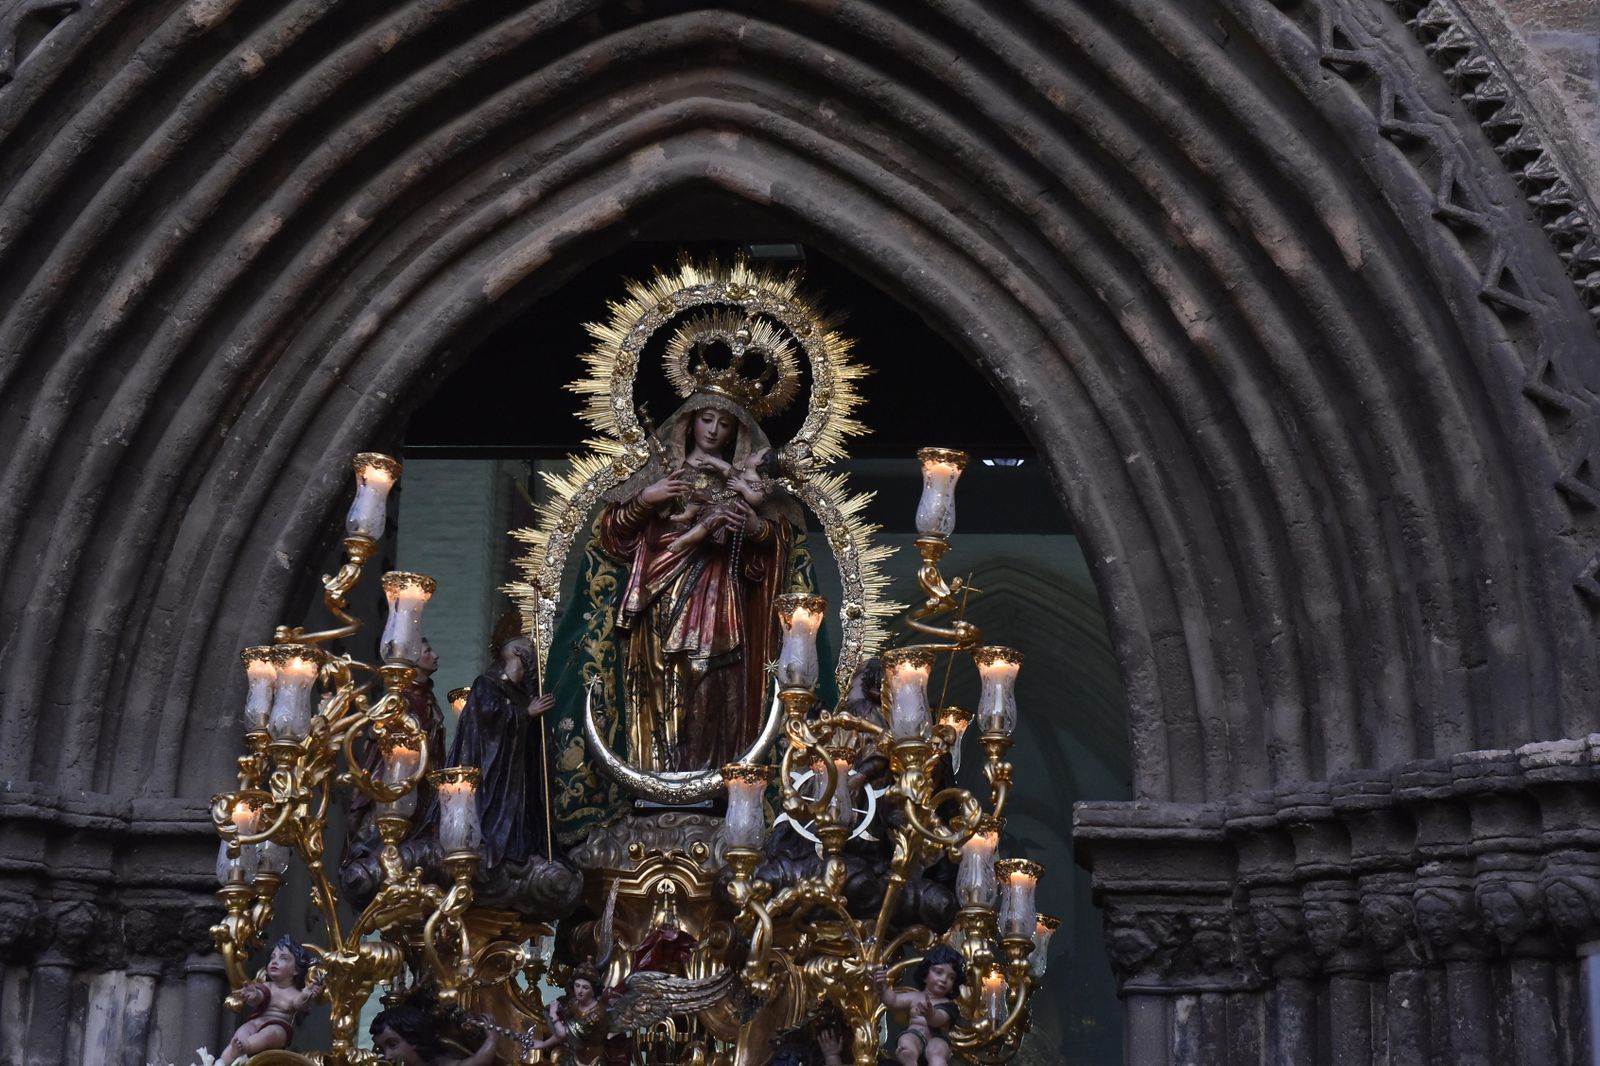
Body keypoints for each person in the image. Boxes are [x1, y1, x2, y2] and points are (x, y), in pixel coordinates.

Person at [596, 401, 799, 773]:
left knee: (712, 680)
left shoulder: (741, 479)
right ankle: (658, 777)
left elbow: (774, 542)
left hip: (719, 595)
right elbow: (613, 533)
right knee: (661, 680)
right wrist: (646, 498)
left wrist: (753, 526)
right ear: (690, 423)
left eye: (724, 424)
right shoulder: (660, 472)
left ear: (736, 432)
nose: (712, 430)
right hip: (658, 595)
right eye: (706, 420)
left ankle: (711, 776)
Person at [447, 616, 556, 868]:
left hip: (520, 784)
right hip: (494, 782)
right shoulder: (487, 684)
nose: (536, 655)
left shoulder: (522, 694)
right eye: (531, 646)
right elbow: (488, 721)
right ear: (518, 651)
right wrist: (525, 714)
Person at [221, 935, 323, 1062]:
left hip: (279, 1029)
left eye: (283, 958)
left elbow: (299, 1004)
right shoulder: (266, 986)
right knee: (243, 1030)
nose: (274, 961)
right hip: (256, 1022)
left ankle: (246, 1047)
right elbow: (260, 997)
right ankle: (221, 1062)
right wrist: (253, 996)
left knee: (269, 1034)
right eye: (272, 957)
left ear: (296, 970)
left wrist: (307, 994)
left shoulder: (294, 993)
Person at [873, 945, 966, 1066]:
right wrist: (882, 988)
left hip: (937, 1039)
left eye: (951, 977)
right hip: (916, 1035)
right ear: (925, 974)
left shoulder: (949, 1005)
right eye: (938, 972)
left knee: (936, 1051)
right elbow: (893, 1001)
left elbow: (938, 1020)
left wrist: (930, 1013)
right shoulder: (915, 997)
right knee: (906, 1040)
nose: (944, 979)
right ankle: (909, 1059)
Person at [528, 962, 630, 1065]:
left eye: (585, 987)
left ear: (594, 990)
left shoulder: (598, 1013)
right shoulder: (574, 1003)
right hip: (573, 1058)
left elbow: (564, 1033)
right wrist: (543, 1044)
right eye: (577, 986)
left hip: (593, 1062)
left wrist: (554, 1015)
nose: (580, 991)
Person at [368, 1004, 497, 1066]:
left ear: (414, 1038)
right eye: (381, 1049)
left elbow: (477, 1063)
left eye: (392, 1045)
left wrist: (492, 1037)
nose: (387, 1056)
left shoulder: (439, 1063)